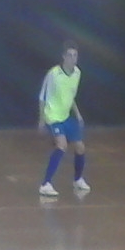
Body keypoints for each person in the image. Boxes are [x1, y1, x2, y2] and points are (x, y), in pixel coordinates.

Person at [38, 40, 89, 197]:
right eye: (70, 55)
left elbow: (70, 96)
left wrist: (78, 114)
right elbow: (42, 97)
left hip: (65, 116)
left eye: (75, 55)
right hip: (52, 116)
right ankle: (45, 184)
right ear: (63, 57)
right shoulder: (54, 74)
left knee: (80, 147)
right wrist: (41, 119)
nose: (73, 58)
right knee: (62, 145)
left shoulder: (77, 73)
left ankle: (77, 179)